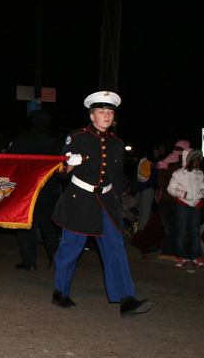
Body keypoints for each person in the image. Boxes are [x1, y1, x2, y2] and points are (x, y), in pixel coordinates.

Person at [50, 91, 151, 318]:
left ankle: (127, 299)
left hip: (106, 202)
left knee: (116, 248)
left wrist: (117, 203)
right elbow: (60, 173)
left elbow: (116, 177)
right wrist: (69, 165)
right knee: (71, 248)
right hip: (80, 200)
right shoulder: (77, 137)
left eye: (110, 112)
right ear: (92, 115)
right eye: (101, 111)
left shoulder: (117, 143)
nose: (106, 115)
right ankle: (60, 292)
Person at [6, 110, 63, 270]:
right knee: (48, 223)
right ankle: (55, 256)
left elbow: (10, 160)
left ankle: (28, 261)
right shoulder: (56, 141)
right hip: (49, 186)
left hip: (27, 187)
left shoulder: (23, 139)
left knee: (26, 223)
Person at [167, 148, 204, 268]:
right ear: (188, 160)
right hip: (183, 205)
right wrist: (183, 194)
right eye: (195, 160)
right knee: (182, 232)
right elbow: (171, 189)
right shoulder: (178, 174)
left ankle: (196, 257)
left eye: (199, 160)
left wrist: (202, 194)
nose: (198, 163)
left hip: (197, 205)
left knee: (195, 232)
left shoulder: (200, 174)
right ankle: (181, 257)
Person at [153, 139, 189, 258]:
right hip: (164, 198)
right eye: (176, 148)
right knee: (167, 227)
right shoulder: (166, 160)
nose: (177, 152)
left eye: (181, 149)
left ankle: (178, 252)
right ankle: (168, 251)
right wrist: (158, 193)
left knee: (177, 226)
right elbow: (160, 180)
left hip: (177, 198)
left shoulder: (185, 162)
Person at [134, 144, 164, 234]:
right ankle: (142, 235)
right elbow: (144, 179)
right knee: (145, 213)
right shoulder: (146, 162)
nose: (159, 152)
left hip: (150, 189)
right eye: (158, 150)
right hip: (147, 189)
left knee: (147, 213)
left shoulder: (154, 162)